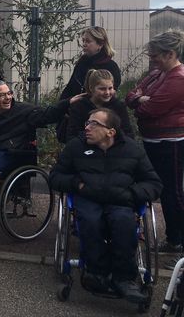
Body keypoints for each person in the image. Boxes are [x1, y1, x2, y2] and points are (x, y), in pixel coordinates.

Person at [49, 108, 161, 304]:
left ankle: (124, 278)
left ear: (111, 131)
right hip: (88, 198)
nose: (87, 128)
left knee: (124, 222)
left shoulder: (132, 149)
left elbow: (153, 183)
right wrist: (77, 184)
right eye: (87, 123)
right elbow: (56, 177)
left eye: (94, 124)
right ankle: (95, 273)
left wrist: (133, 194)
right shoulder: (76, 147)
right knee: (90, 221)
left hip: (120, 200)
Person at [125, 29, 184, 268]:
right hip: (154, 141)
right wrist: (139, 99)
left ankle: (178, 242)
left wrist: (141, 102)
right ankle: (174, 240)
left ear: (170, 54)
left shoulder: (178, 78)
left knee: (172, 192)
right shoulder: (158, 74)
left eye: (156, 55)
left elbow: (151, 110)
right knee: (165, 191)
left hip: (170, 144)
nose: (153, 59)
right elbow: (130, 97)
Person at [0, 80, 77, 184]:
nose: (8, 98)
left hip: (6, 152)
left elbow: (46, 114)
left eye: (9, 93)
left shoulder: (23, 111)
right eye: (2, 95)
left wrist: (67, 103)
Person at [65, 69, 133, 142]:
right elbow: (72, 135)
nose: (107, 92)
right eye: (102, 89)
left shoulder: (119, 106)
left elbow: (128, 133)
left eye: (110, 88)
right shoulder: (79, 106)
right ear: (91, 88)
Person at [60, 26, 121, 99]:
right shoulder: (82, 62)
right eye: (83, 41)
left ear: (100, 44)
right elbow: (70, 87)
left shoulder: (111, 67)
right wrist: (62, 105)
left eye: (88, 41)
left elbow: (109, 96)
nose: (84, 44)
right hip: (76, 105)